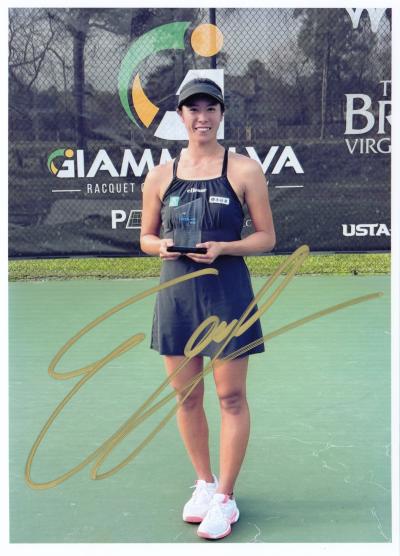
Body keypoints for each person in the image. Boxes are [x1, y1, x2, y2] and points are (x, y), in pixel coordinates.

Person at [140, 77, 275, 540]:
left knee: (230, 397)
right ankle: (204, 483)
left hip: (227, 295)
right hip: (176, 297)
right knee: (187, 397)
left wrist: (224, 247)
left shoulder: (244, 170)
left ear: (221, 114)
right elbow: (145, 237)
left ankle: (225, 498)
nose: (202, 117)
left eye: (210, 108)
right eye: (193, 109)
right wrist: (160, 246)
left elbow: (267, 237)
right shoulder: (160, 175)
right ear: (181, 116)